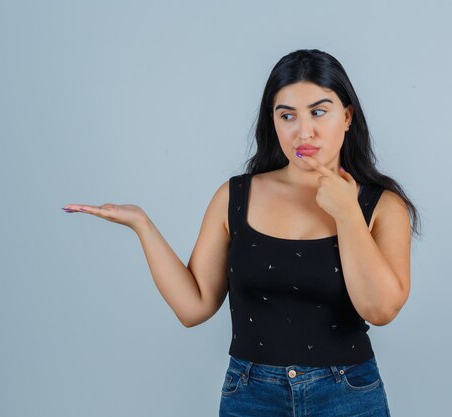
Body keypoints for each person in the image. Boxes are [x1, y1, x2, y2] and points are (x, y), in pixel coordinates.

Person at [62, 49, 419, 417]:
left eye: (318, 111)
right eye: (287, 115)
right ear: (273, 122)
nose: (303, 131)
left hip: (347, 394)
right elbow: (193, 306)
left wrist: (346, 212)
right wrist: (142, 225)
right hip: (251, 395)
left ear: (346, 117)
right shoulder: (235, 196)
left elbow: (380, 309)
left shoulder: (382, 205)